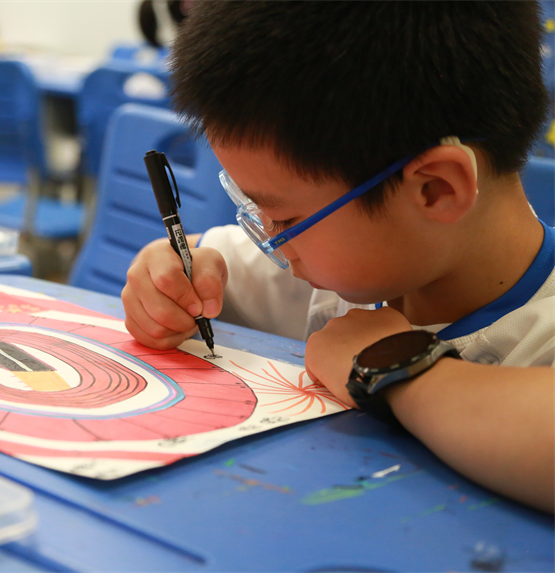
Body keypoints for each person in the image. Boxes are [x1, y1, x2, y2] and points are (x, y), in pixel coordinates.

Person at [122, 2, 554, 512]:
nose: (270, 240)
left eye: (282, 220)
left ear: (436, 190)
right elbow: (202, 259)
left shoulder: (537, 329)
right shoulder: (342, 269)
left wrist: (395, 367)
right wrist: (168, 274)